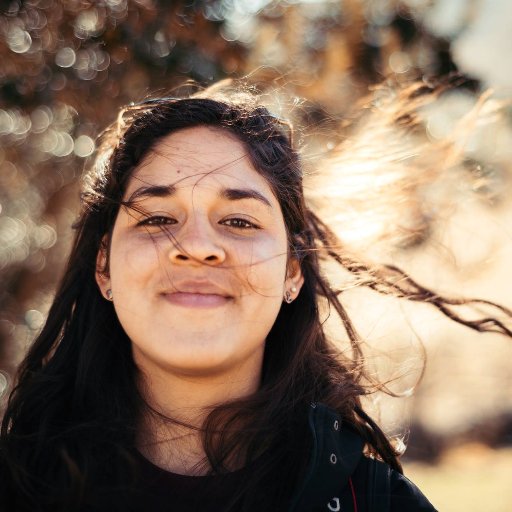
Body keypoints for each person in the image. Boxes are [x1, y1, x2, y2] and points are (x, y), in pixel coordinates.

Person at [1, 81, 510, 512]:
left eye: (239, 221)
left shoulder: (375, 503)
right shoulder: (17, 485)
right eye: (157, 218)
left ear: (293, 271)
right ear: (104, 266)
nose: (197, 247)